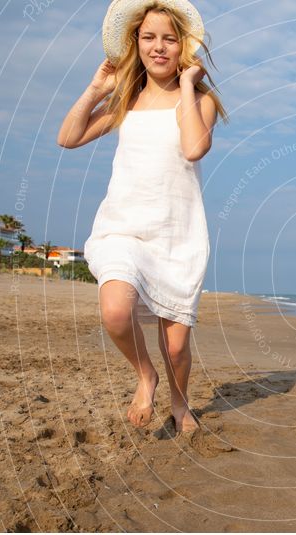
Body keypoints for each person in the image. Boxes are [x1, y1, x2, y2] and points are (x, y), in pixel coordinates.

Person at [57, 0, 226, 433]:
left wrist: (189, 85)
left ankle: (181, 404)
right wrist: (96, 88)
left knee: (176, 346)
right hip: (123, 227)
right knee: (115, 312)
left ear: (182, 46)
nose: (159, 47)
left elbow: (192, 148)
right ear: (136, 42)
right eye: (149, 37)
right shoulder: (125, 100)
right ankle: (144, 376)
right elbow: (68, 137)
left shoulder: (201, 101)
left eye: (169, 39)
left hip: (177, 235)